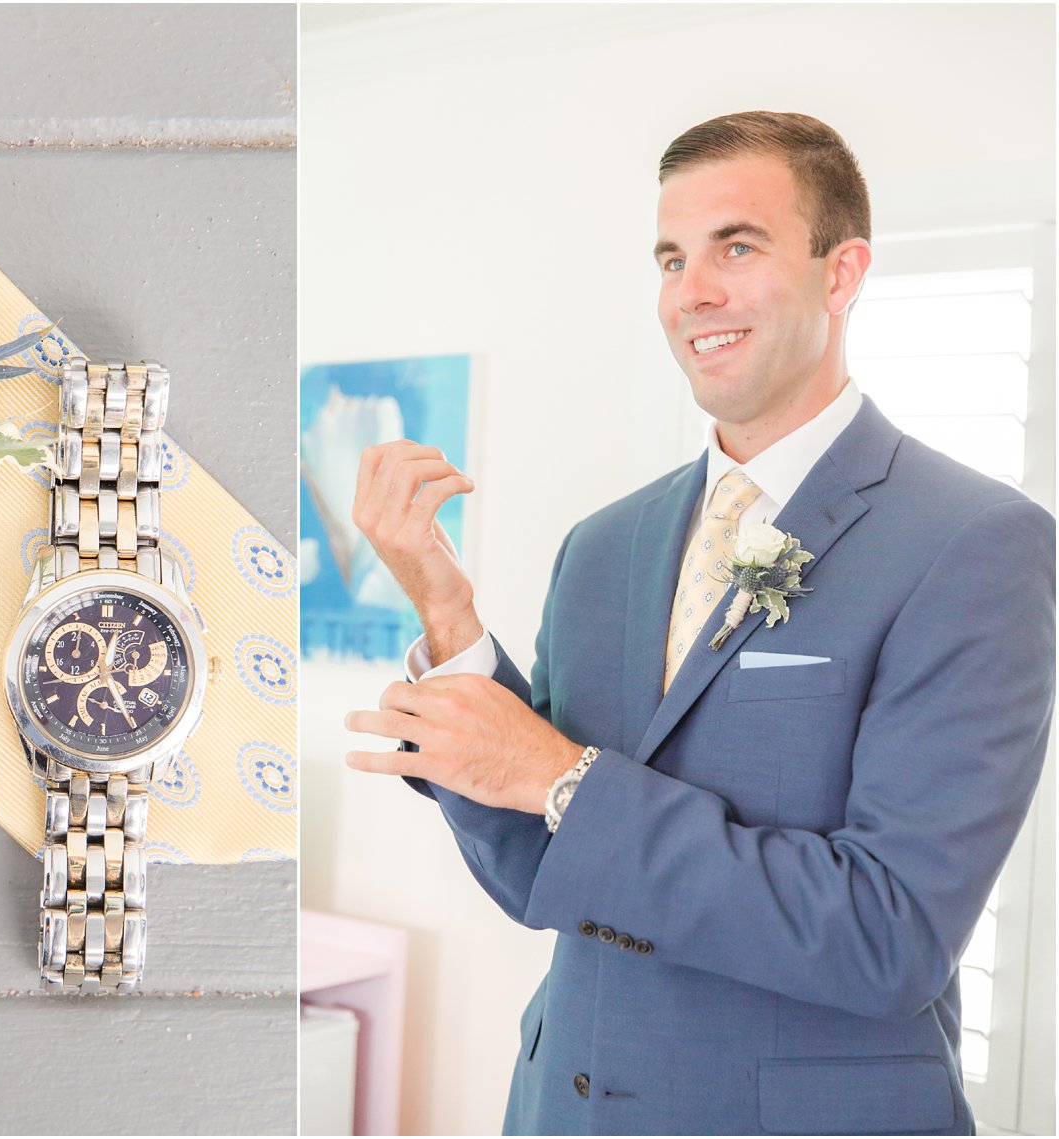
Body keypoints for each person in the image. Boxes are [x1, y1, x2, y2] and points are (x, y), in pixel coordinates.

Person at [345, 111, 1055, 1136]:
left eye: (737, 245)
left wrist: (563, 777)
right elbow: (541, 866)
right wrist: (447, 615)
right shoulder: (600, 546)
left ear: (840, 272)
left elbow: (886, 933)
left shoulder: (974, 542)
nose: (693, 291)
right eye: (671, 257)